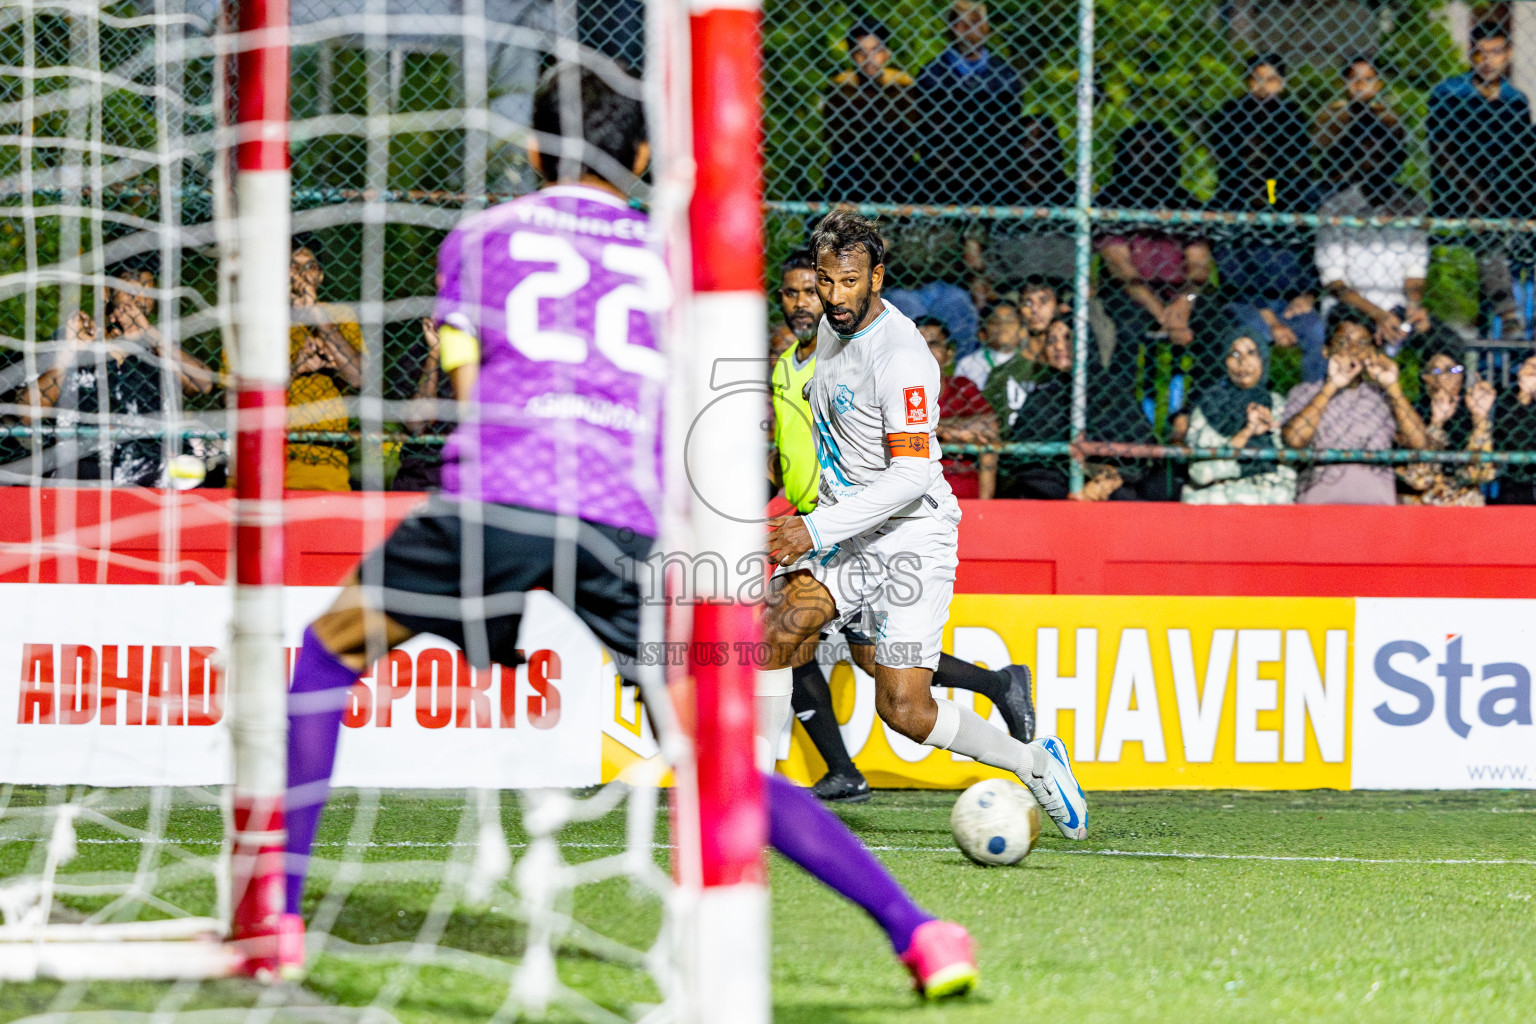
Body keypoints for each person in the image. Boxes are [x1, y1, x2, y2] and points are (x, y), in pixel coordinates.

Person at [278, 68, 981, 998]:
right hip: (618, 519)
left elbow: (456, 380)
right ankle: (919, 933)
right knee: (714, 761)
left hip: (496, 497)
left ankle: (279, 917)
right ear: (642, 157)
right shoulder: (673, 259)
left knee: (326, 660)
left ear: (534, 149)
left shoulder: (482, 238)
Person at [760, 210, 1087, 851]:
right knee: (776, 628)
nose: (833, 297)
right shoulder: (831, 327)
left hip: (912, 532)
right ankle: (752, 800)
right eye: (824, 281)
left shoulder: (903, 355)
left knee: (905, 710)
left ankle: (1034, 763)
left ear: (877, 276)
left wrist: (815, 527)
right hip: (853, 530)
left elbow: (911, 474)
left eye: (848, 282)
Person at [28, 262, 216, 486]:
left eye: (149, 291)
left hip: (153, 469)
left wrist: (151, 335)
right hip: (83, 470)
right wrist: (70, 352)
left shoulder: (160, 349)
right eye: (131, 289)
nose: (140, 299)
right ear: (106, 292)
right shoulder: (76, 337)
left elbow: (204, 384)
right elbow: (28, 411)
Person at [1426, 21, 1531, 329]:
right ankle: (1507, 311)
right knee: (1488, 226)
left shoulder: (1515, 100)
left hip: (1506, 193)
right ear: (1471, 55)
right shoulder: (1449, 93)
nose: (1488, 61)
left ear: (1508, 53)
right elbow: (1441, 151)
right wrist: (1473, 189)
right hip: (1459, 194)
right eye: (1480, 53)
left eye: (1496, 52)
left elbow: (1523, 156)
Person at [1094, 123, 1216, 355]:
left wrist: (1185, 301)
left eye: (1156, 150)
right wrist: (1163, 315)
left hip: (1182, 294)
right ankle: (1118, 392)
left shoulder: (1185, 203)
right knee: (1123, 326)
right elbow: (1121, 268)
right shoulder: (1110, 201)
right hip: (1131, 295)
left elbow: (1199, 267)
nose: (1147, 158)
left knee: (1216, 323)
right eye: (1138, 149)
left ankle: (1209, 391)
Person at [1280, 315, 1428, 504]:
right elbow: (1294, 440)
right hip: (1320, 508)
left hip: (1376, 510)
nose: (1353, 349)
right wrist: (1331, 386)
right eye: (1343, 342)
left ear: (1372, 353)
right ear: (1326, 351)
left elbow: (1419, 443)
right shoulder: (1307, 392)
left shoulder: (1384, 397)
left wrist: (1392, 386)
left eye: (1363, 343)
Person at [1315, 115, 1430, 352]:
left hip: (1397, 305)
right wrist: (1377, 315)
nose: (1374, 164)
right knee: (1358, 333)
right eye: (1365, 156)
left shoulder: (1412, 207)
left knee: (1441, 339)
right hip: (1350, 306)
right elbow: (1334, 282)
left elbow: (1415, 272)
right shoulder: (1335, 209)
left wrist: (1414, 305)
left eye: (1381, 155)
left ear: (1395, 159)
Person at [914, 0, 1022, 206]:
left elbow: (1011, 120)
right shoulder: (933, 73)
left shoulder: (1004, 74)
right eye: (967, 22)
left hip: (993, 153)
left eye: (980, 21)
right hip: (948, 153)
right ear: (955, 28)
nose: (976, 28)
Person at [1181, 328, 1297, 505]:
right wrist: (1247, 431)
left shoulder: (1279, 405)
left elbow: (1288, 473)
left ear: (1263, 359)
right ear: (1224, 362)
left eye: (1251, 353)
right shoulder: (1209, 406)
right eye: (1234, 354)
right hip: (1215, 501)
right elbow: (1201, 472)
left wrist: (1226, 463)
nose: (1243, 362)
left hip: (1269, 501)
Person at [288, 239, 365, 490]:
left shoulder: (340, 316)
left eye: (310, 266)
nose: (301, 273)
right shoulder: (256, 321)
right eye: (292, 266)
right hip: (268, 462)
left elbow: (360, 377)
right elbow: (233, 399)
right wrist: (296, 367)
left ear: (320, 276)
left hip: (327, 466)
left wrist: (320, 319)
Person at [819, 17, 920, 203]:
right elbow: (840, 141)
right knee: (839, 170)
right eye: (860, 52)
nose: (869, 59)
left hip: (895, 165)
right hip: (854, 166)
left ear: (887, 54)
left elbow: (909, 137)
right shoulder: (842, 88)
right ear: (851, 55)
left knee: (914, 173)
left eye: (876, 50)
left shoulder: (902, 85)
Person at [1207, 54, 1311, 214]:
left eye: (1270, 80)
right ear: (1248, 82)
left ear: (1281, 84)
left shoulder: (1290, 113)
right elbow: (1222, 151)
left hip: (1278, 182)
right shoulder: (1233, 110)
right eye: (1257, 79)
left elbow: (1299, 155)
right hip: (1238, 182)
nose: (1262, 85)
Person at [1397, 349, 1496, 506]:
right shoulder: (1413, 413)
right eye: (1438, 370)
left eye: (1455, 369)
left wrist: (1480, 418)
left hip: (1462, 504)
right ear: (1426, 377)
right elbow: (1419, 479)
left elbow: (1481, 472)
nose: (1449, 375)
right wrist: (1436, 423)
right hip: (1422, 504)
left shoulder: (1471, 411)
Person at [923, 317, 998, 500]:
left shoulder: (962, 387)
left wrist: (938, 430)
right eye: (917, 343)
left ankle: (985, 511)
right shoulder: (897, 392)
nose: (924, 350)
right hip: (920, 491)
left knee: (989, 447)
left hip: (965, 491)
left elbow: (991, 427)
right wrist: (951, 431)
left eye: (933, 344)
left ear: (949, 354)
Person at [1313, 56, 1400, 168]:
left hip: (1378, 179)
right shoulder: (1331, 115)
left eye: (1368, 79)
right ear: (1344, 83)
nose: (1360, 83)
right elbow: (1324, 156)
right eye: (1353, 78)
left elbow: (1396, 156)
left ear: (1378, 85)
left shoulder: (1388, 117)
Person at [1491, 354, 1536, 504]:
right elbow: (1512, 438)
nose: (1532, 372)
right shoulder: (1503, 397)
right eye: (1530, 366)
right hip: (1511, 477)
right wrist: (1524, 397)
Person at [954, 299, 1020, 389]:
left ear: (1022, 330)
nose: (1004, 327)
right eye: (997, 322)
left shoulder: (1029, 360)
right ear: (982, 333)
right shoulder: (967, 365)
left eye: (1010, 322)